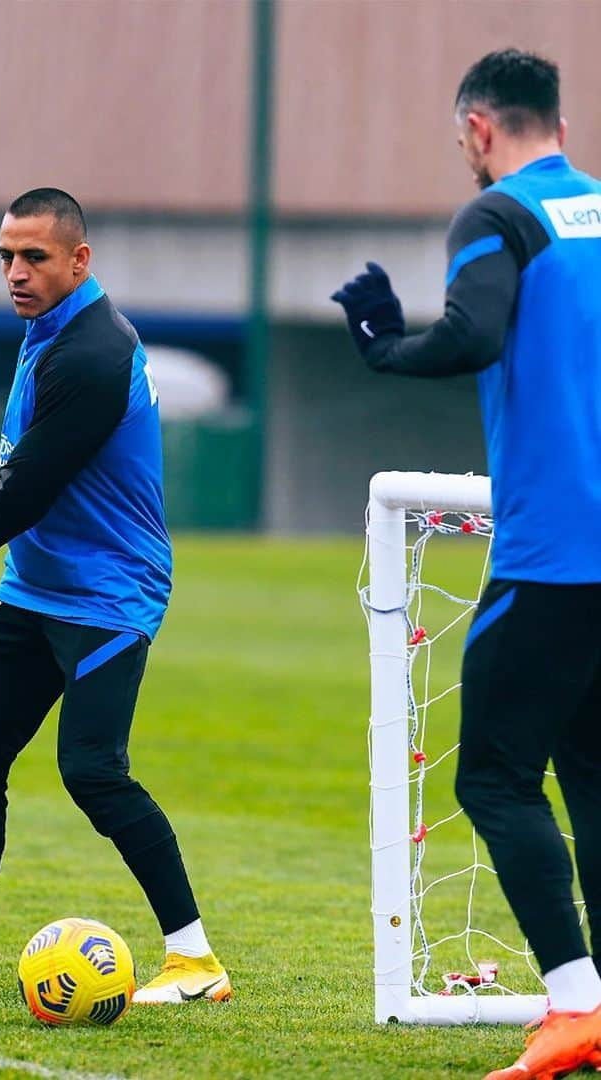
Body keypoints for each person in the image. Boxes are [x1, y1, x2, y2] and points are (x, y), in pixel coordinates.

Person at [0, 187, 230, 1005]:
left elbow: (22, 496)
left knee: (93, 770)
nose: (16, 272)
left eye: (34, 256)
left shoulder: (93, 354)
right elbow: (0, 470)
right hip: (35, 588)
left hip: (108, 594)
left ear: (79, 259)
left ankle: (195, 960)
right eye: (6, 256)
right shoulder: (46, 333)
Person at [333, 49, 601, 1080]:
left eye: (462, 142)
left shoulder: (498, 218)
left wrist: (381, 346)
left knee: (492, 777)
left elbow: (472, 333)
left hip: (554, 558)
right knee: (590, 773)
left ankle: (576, 1005)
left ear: (481, 129)